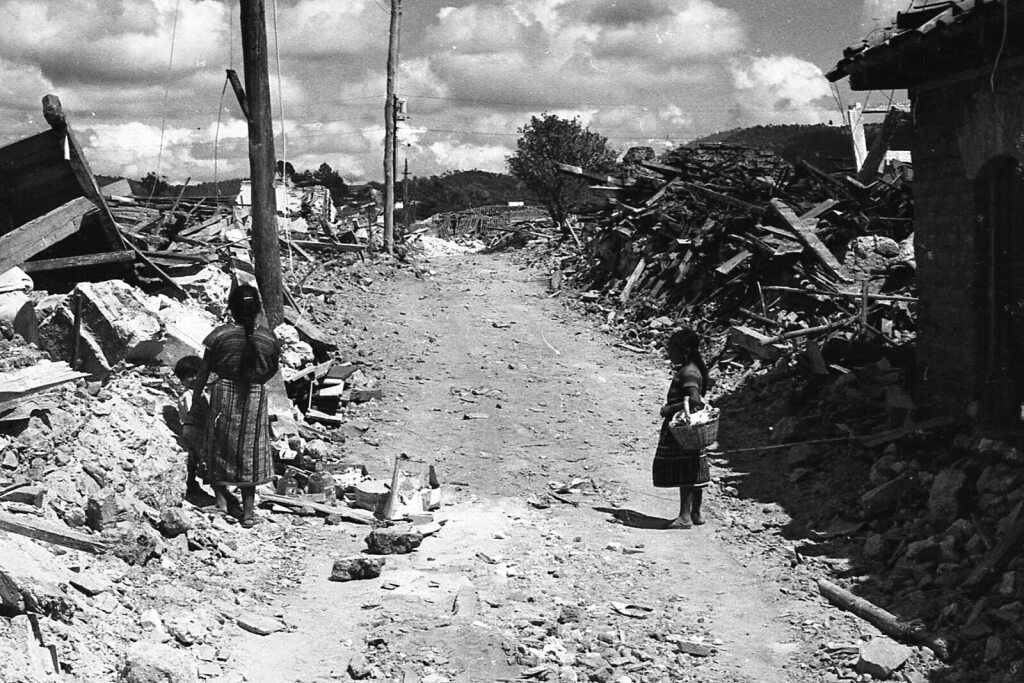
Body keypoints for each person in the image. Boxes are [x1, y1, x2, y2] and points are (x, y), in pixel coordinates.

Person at [191, 284, 283, 528]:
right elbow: (272, 369)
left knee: (218, 446)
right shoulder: (268, 338)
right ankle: (249, 512)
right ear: (256, 310)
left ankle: (221, 502)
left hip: (225, 392)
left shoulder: (220, 335)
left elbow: (204, 370)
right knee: (249, 451)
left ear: (231, 308)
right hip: (254, 394)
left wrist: (194, 399)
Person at [653, 328, 711, 529]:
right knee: (693, 468)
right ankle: (695, 513)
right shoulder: (694, 369)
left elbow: (695, 401)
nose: (669, 352)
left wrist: (670, 409)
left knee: (684, 470)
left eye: (672, 348)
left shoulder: (689, 372)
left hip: (684, 429)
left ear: (684, 350)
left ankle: (684, 516)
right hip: (694, 429)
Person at [173, 355, 208, 495]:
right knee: (199, 457)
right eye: (189, 376)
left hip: (194, 429)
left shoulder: (200, 393)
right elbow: (194, 412)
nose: (194, 378)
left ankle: (192, 482)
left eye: (197, 374)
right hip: (194, 429)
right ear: (182, 379)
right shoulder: (189, 395)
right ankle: (194, 482)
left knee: (194, 457)